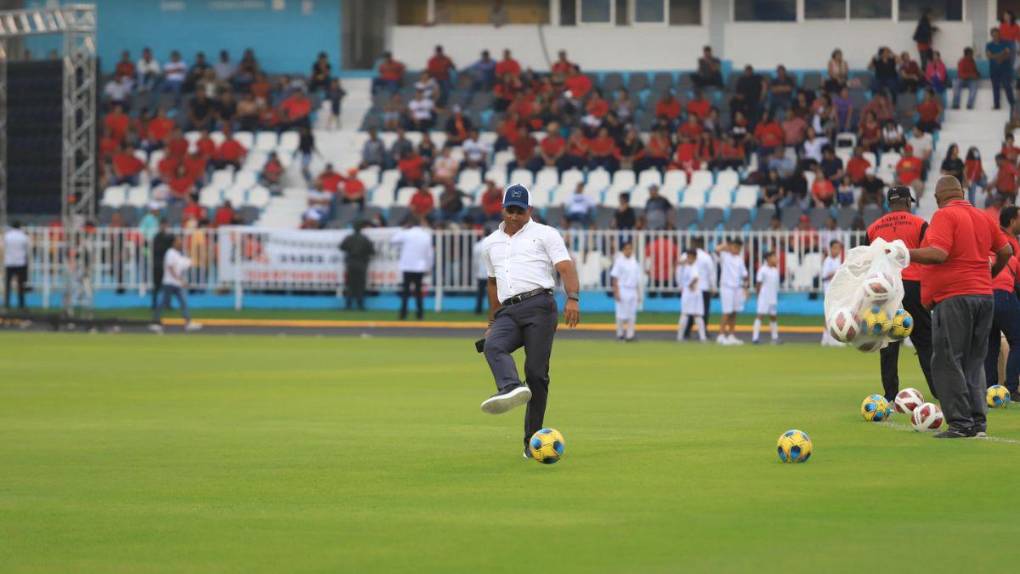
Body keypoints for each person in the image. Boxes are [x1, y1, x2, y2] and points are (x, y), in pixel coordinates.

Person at [478, 183, 580, 459]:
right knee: (493, 346)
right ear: (502, 209)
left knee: (536, 374)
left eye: (519, 211)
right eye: (509, 210)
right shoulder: (490, 244)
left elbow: (565, 266)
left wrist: (573, 298)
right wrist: (491, 322)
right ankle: (511, 386)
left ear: (529, 210)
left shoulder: (545, 234)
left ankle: (530, 441)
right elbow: (492, 283)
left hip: (539, 306)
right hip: (508, 311)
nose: (513, 216)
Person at [908, 176, 1012, 438]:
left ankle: (960, 423)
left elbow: (939, 253)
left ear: (937, 198)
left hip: (954, 297)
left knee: (946, 359)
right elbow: (1007, 251)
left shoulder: (944, 216)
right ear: (962, 193)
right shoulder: (983, 216)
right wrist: (989, 276)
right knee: (974, 361)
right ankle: (978, 423)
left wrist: (904, 252)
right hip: (983, 296)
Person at [866, 187, 935, 401]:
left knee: (888, 343)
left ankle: (890, 394)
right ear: (907, 202)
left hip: (885, 288)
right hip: (913, 286)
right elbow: (931, 255)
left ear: (889, 204)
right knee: (925, 341)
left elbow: (866, 262)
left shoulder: (873, 228)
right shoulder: (920, 224)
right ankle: (939, 389)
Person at [985, 206, 1020, 402]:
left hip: (984, 297)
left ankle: (990, 389)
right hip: (1004, 295)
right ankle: (1012, 388)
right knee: (1018, 341)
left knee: (991, 345)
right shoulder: (1011, 251)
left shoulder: (985, 250)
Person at [149, 236, 202, 333]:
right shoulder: (170, 253)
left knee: (183, 302)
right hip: (169, 283)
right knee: (163, 303)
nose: (180, 242)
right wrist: (180, 279)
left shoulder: (178, 254)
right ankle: (155, 322)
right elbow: (170, 267)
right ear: (173, 243)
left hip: (176, 284)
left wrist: (191, 260)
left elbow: (184, 264)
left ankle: (188, 322)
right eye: (178, 241)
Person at [391, 216, 433, 320]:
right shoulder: (426, 235)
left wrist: (403, 229)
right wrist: (429, 266)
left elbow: (393, 240)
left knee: (406, 291)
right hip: (419, 267)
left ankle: (403, 314)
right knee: (418, 292)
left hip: (407, 266)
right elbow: (429, 254)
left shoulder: (406, 234)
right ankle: (420, 314)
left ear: (410, 224)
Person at [716, 239, 747, 345]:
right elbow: (717, 249)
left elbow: (744, 275)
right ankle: (721, 335)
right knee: (726, 312)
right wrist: (727, 246)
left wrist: (745, 289)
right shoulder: (725, 256)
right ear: (731, 247)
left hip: (737, 288)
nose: (737, 249)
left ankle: (731, 335)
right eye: (735, 247)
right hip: (726, 287)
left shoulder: (740, 259)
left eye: (739, 248)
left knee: (734, 312)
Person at [340, 222, 375, 311]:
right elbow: (372, 251)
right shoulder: (365, 239)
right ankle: (360, 305)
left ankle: (348, 305)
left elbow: (341, 247)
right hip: (362, 263)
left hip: (351, 262)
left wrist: (350, 250)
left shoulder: (349, 238)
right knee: (360, 285)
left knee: (350, 284)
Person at [611, 242, 640, 342]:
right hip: (622, 289)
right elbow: (615, 278)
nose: (629, 251)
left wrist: (638, 293)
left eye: (630, 249)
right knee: (620, 314)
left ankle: (630, 335)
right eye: (627, 249)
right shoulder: (619, 261)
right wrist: (616, 292)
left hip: (632, 290)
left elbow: (636, 279)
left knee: (632, 314)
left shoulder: (634, 261)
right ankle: (620, 334)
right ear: (623, 250)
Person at [676, 250, 707, 343]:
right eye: (688, 257)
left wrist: (689, 284)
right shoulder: (690, 266)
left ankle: (681, 337)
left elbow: (695, 277)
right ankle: (702, 337)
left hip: (690, 292)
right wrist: (690, 284)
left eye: (690, 257)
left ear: (695, 258)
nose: (689, 259)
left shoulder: (691, 266)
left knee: (689, 314)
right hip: (691, 292)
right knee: (691, 314)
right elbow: (695, 277)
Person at [752, 251, 780, 345]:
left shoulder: (775, 270)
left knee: (773, 317)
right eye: (774, 257)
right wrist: (758, 296)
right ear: (768, 259)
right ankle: (755, 338)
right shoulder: (763, 270)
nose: (776, 259)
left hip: (773, 297)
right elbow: (758, 283)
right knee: (760, 315)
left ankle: (775, 337)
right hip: (764, 296)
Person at [820, 240, 843, 347]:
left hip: (836, 291)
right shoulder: (828, 261)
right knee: (830, 315)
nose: (837, 250)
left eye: (839, 248)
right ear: (831, 249)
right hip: (829, 291)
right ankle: (828, 339)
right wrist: (837, 273)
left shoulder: (837, 261)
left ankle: (828, 339)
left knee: (833, 315)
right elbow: (824, 276)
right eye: (835, 248)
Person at [986, 28, 1015, 111]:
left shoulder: (1006, 43)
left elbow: (1008, 55)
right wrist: (1002, 53)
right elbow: (989, 56)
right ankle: (996, 105)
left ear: (1000, 34)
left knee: (1007, 85)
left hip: (1005, 70)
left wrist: (996, 56)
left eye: (997, 34)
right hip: (994, 70)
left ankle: (1012, 104)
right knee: (995, 87)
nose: (996, 36)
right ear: (991, 35)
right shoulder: (989, 45)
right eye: (994, 35)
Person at [3, 221, 29, 310]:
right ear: (20, 226)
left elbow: (3, 248)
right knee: (21, 285)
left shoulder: (7, 236)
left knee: (7, 285)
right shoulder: (23, 236)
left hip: (9, 262)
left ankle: (6, 304)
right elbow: (27, 250)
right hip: (20, 263)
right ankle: (21, 305)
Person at [151, 220, 174, 310]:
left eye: (166, 225)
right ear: (161, 226)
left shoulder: (168, 237)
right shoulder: (157, 237)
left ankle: (167, 305)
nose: (165, 227)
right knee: (157, 286)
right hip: (158, 264)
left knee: (168, 286)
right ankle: (154, 304)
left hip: (166, 265)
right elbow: (158, 249)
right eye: (164, 225)